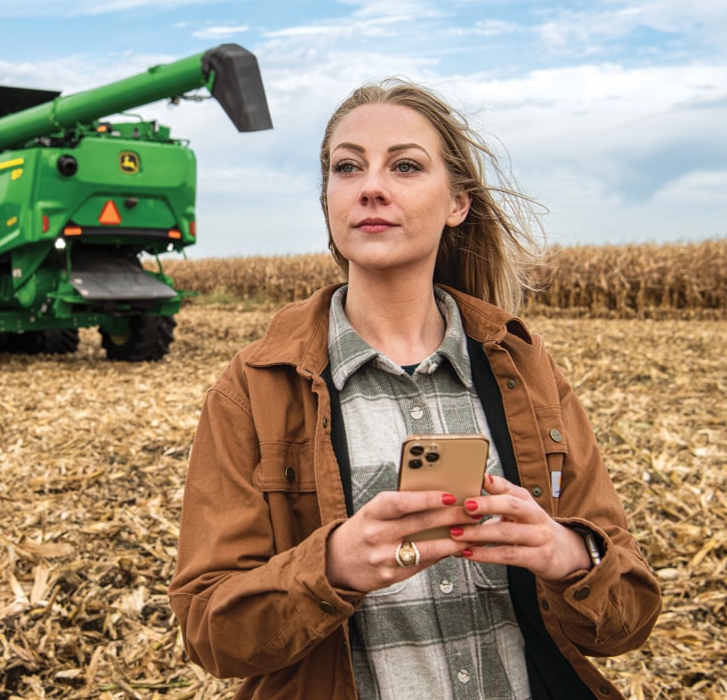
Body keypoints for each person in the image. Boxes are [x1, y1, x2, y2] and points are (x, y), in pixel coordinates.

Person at [170, 79, 661, 700]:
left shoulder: (527, 372)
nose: (371, 185)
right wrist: (332, 566)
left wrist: (566, 554)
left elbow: (629, 618)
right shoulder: (253, 391)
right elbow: (210, 633)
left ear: (457, 202)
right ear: (328, 199)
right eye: (347, 167)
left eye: (405, 165)